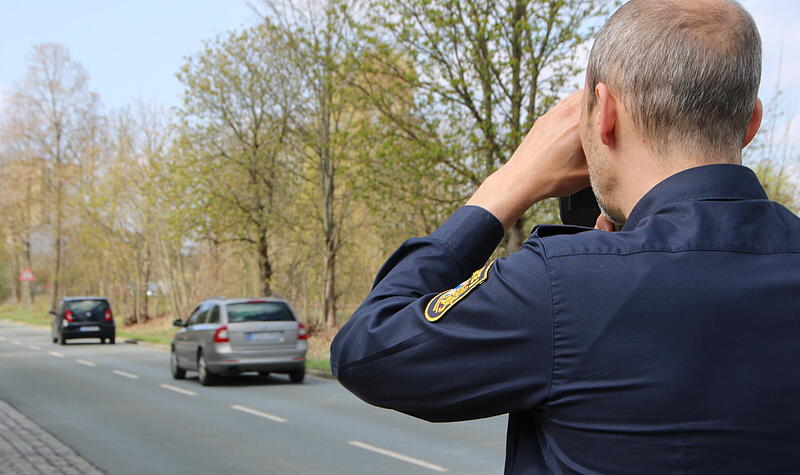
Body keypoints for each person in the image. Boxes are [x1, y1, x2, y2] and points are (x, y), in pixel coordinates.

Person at [330, 0, 800, 472]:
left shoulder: (556, 285)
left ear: (605, 115)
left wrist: (509, 183)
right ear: (751, 122)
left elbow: (368, 352)